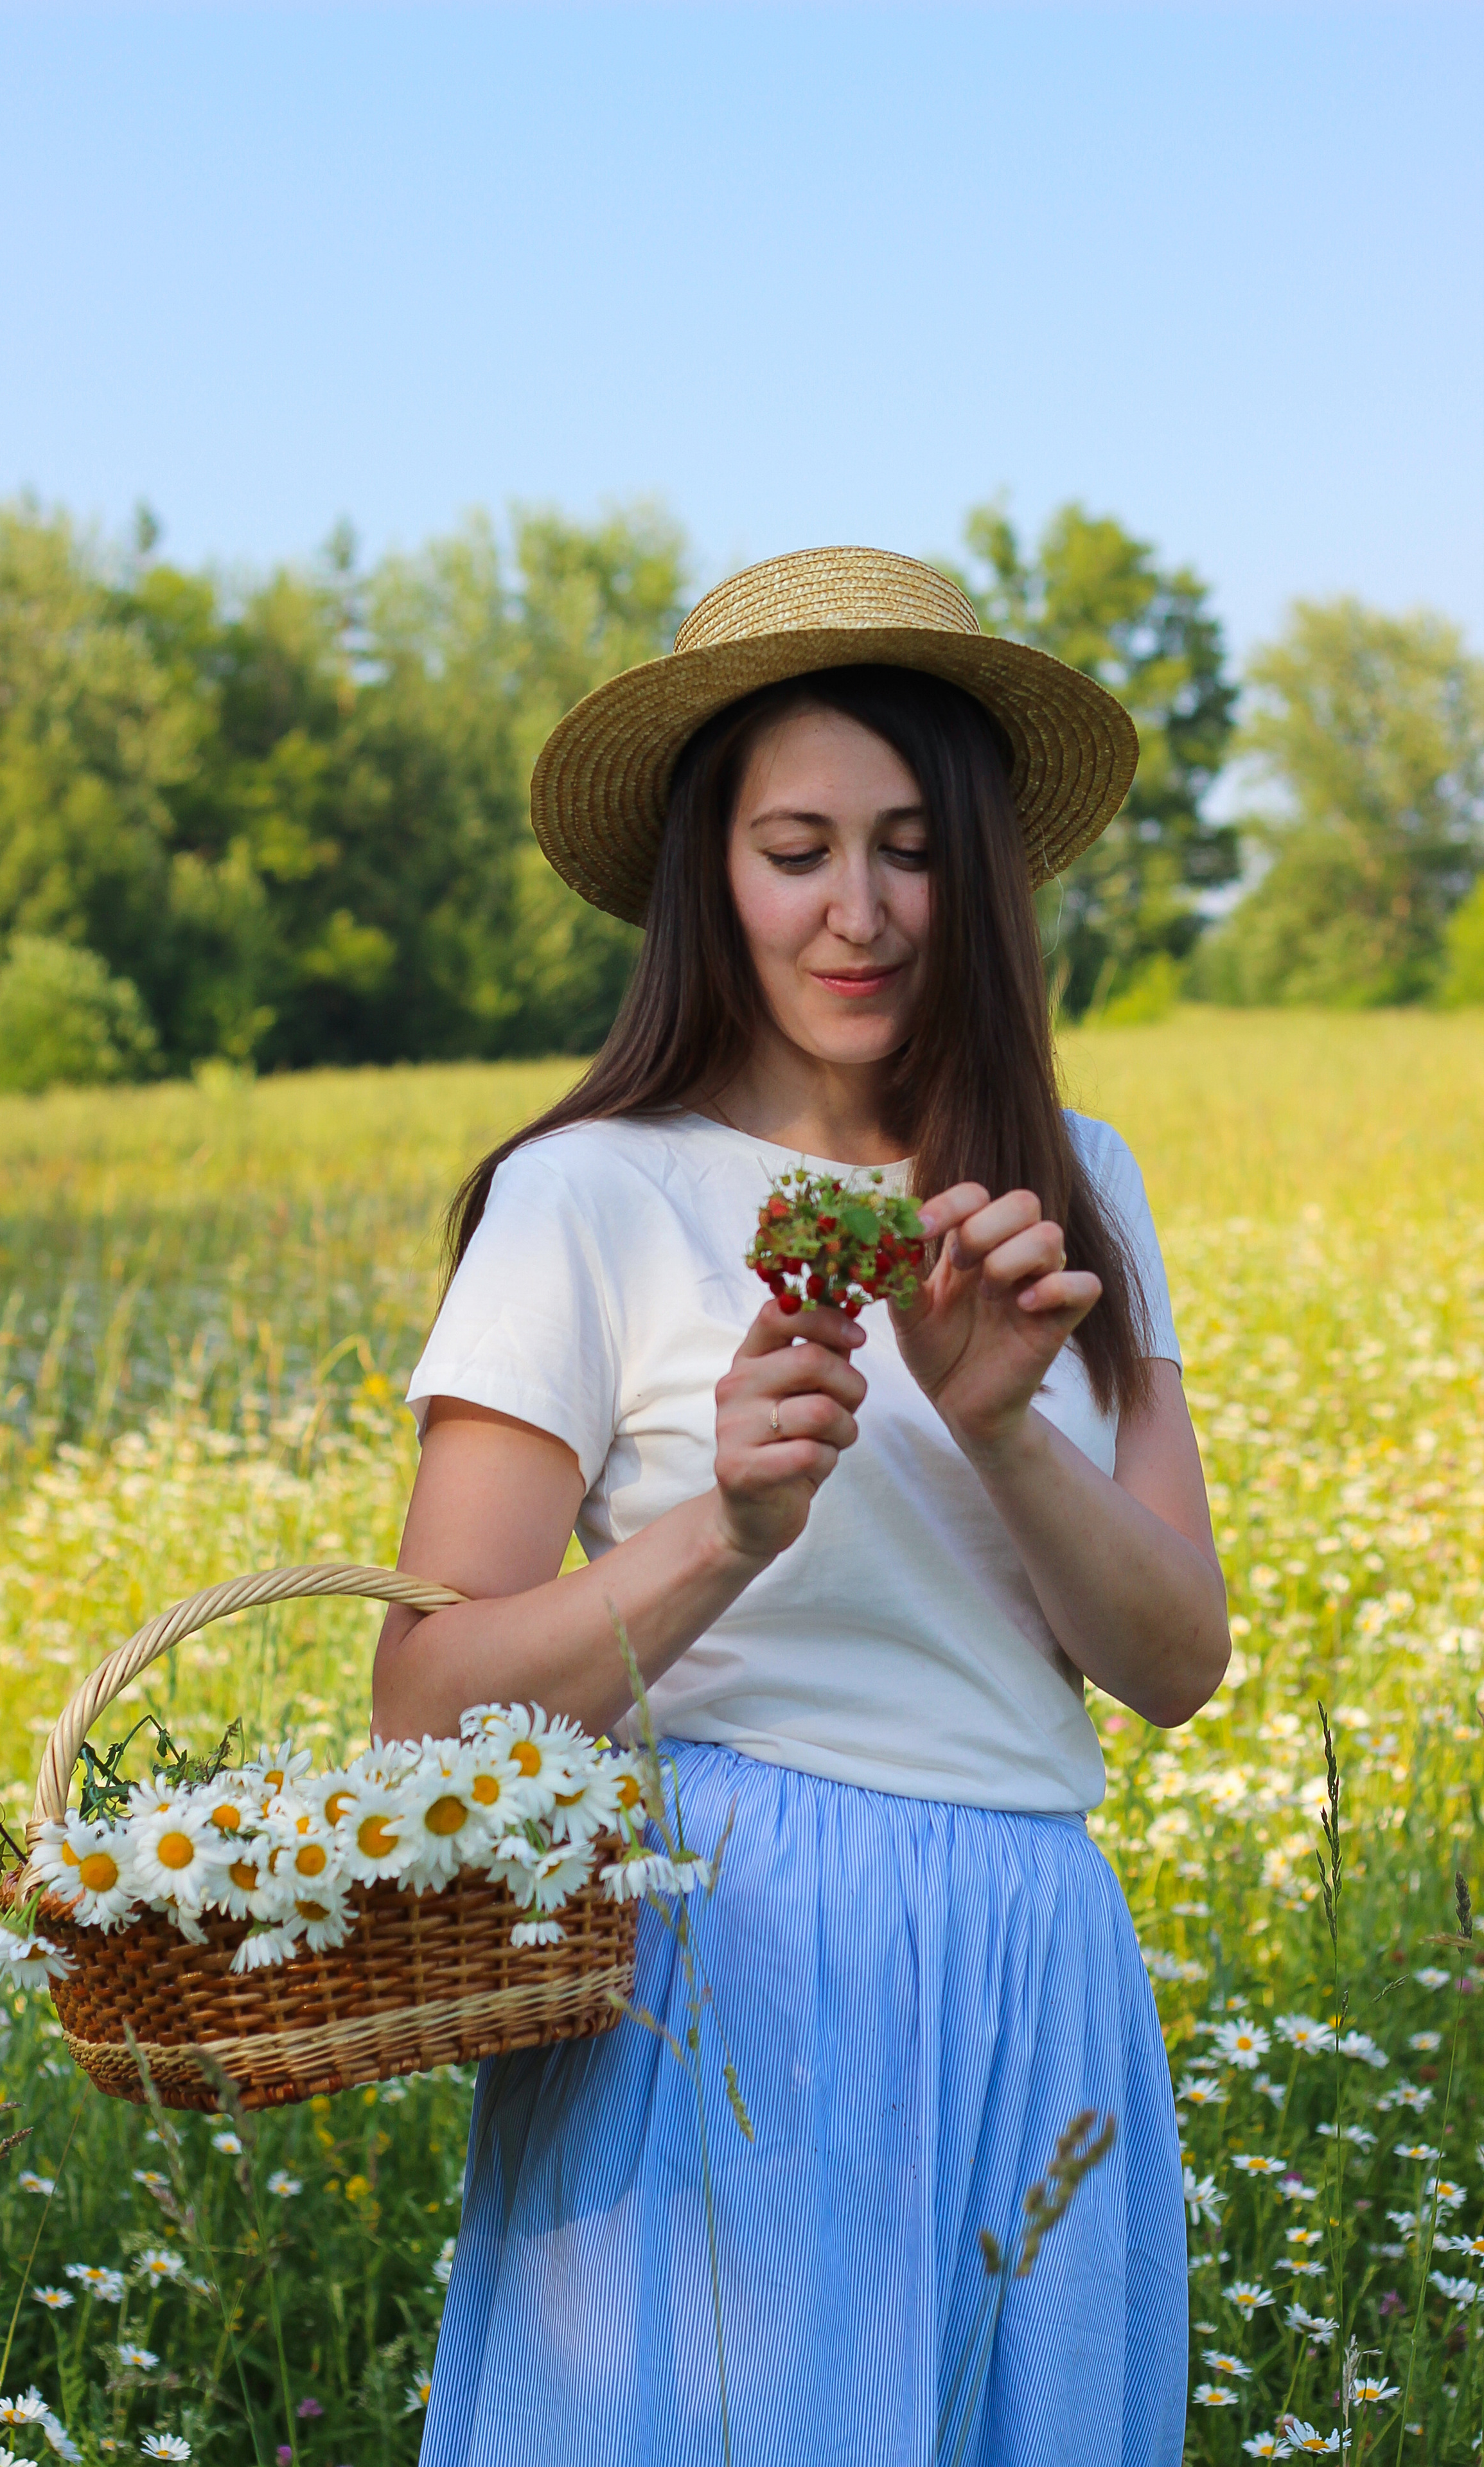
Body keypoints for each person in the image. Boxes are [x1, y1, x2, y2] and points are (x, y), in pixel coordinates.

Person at [374, 547, 1228, 2466]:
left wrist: (1000, 1423)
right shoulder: (590, 1195)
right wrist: (724, 1535)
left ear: (984, 876)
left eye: (914, 847)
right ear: (712, 872)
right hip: (716, 1966)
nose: (860, 912)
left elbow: (1177, 1665)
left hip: (1033, 1958)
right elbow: (419, 1710)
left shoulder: (1078, 1186)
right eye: (797, 847)